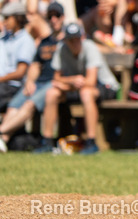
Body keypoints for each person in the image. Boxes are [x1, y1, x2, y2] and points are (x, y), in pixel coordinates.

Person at [35, 21, 119, 155]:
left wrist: (66, 84)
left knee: (86, 93)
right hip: (75, 87)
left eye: (77, 39)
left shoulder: (90, 47)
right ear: (66, 40)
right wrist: (71, 81)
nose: (74, 43)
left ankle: (91, 142)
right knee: (51, 93)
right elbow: (56, 78)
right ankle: (48, 141)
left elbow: (91, 81)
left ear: (82, 37)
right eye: (71, 40)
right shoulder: (61, 48)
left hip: (105, 86)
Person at [0, 4, 64, 152]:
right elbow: (35, 66)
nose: (53, 19)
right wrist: (30, 81)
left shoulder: (68, 40)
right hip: (37, 83)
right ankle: (4, 139)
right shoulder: (44, 42)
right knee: (14, 105)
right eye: (50, 16)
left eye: (57, 16)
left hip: (54, 83)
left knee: (29, 104)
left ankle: (2, 132)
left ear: (63, 17)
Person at [0, 2, 37, 112]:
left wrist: (0, 79)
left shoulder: (26, 40)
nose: (4, 21)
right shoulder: (4, 39)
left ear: (18, 18)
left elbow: (20, 72)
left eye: (7, 18)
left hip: (13, 87)